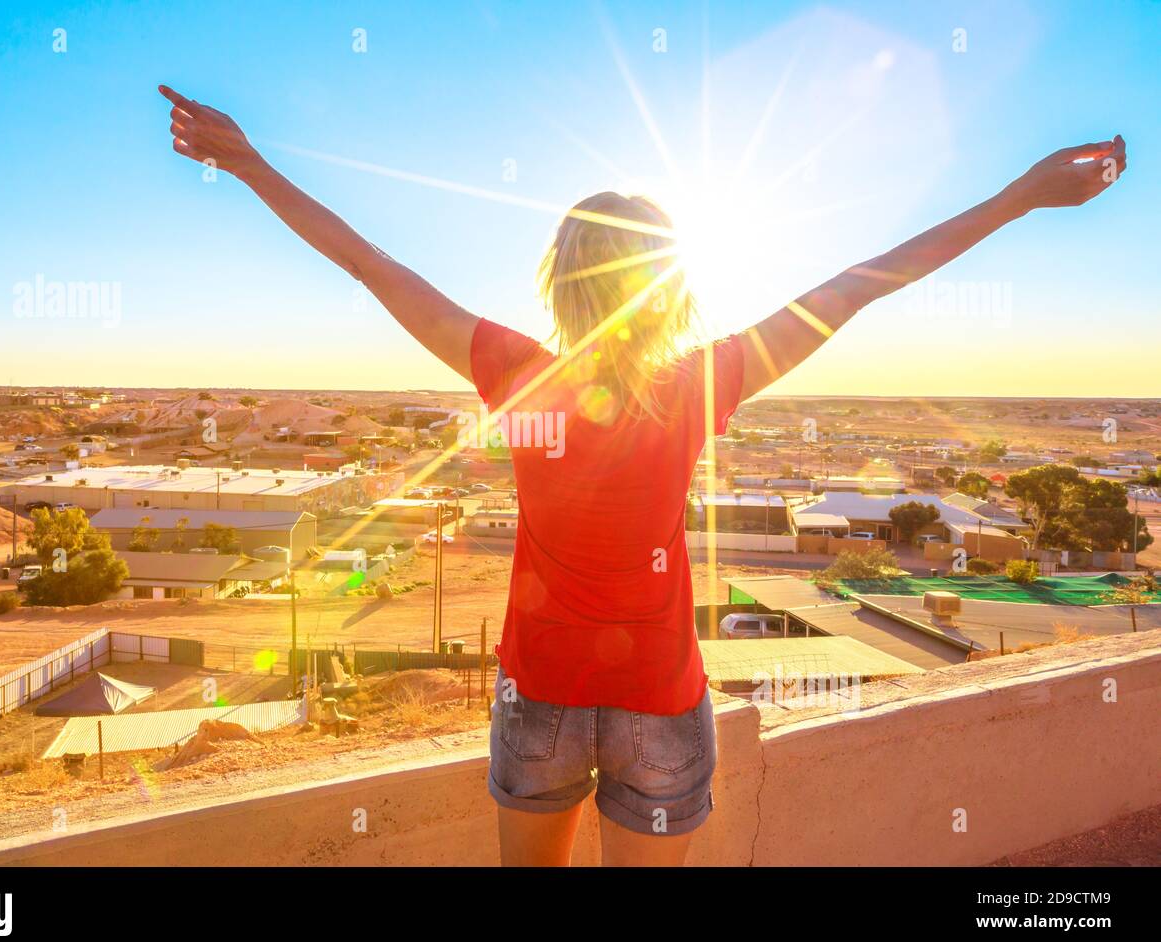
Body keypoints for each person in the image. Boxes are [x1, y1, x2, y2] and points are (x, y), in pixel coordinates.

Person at [158, 84, 1125, 865]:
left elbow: (370, 265)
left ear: (560, 280)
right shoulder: (705, 382)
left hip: (539, 696)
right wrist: (1020, 197)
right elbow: (864, 282)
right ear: (670, 289)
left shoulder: (514, 369)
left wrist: (247, 165)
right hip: (659, 703)